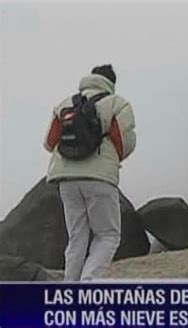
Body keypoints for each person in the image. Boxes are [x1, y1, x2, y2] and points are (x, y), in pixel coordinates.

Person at [44, 64, 136, 281]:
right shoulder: (117, 103)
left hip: (65, 178)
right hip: (99, 178)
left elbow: (49, 142)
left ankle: (70, 288)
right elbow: (124, 143)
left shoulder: (66, 104)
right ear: (111, 83)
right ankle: (89, 283)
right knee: (108, 235)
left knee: (77, 237)